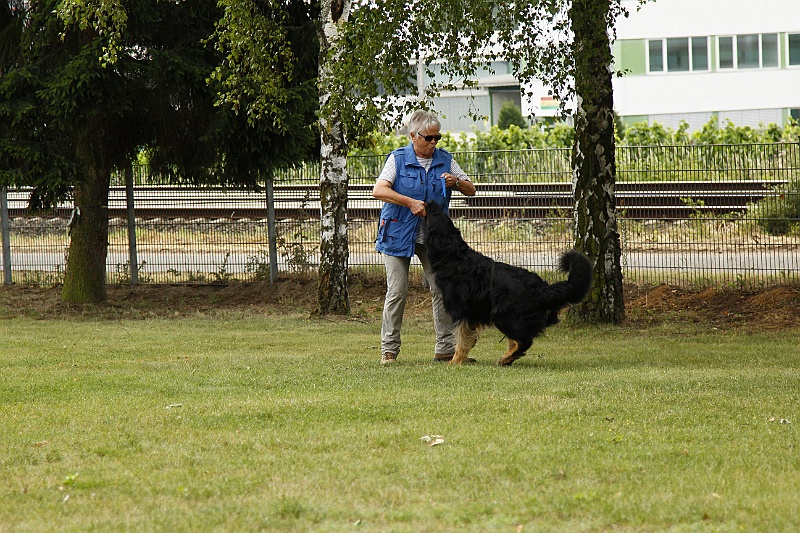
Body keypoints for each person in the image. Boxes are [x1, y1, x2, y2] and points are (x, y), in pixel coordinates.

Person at [373, 110, 477, 365]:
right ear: (413, 136)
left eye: (437, 138)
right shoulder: (397, 159)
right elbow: (379, 190)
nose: (433, 143)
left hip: (434, 238)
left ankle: (445, 350)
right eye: (428, 138)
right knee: (397, 290)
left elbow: (471, 189)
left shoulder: (446, 160)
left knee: (441, 289)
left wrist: (456, 182)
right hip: (398, 232)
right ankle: (389, 351)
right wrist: (409, 202)